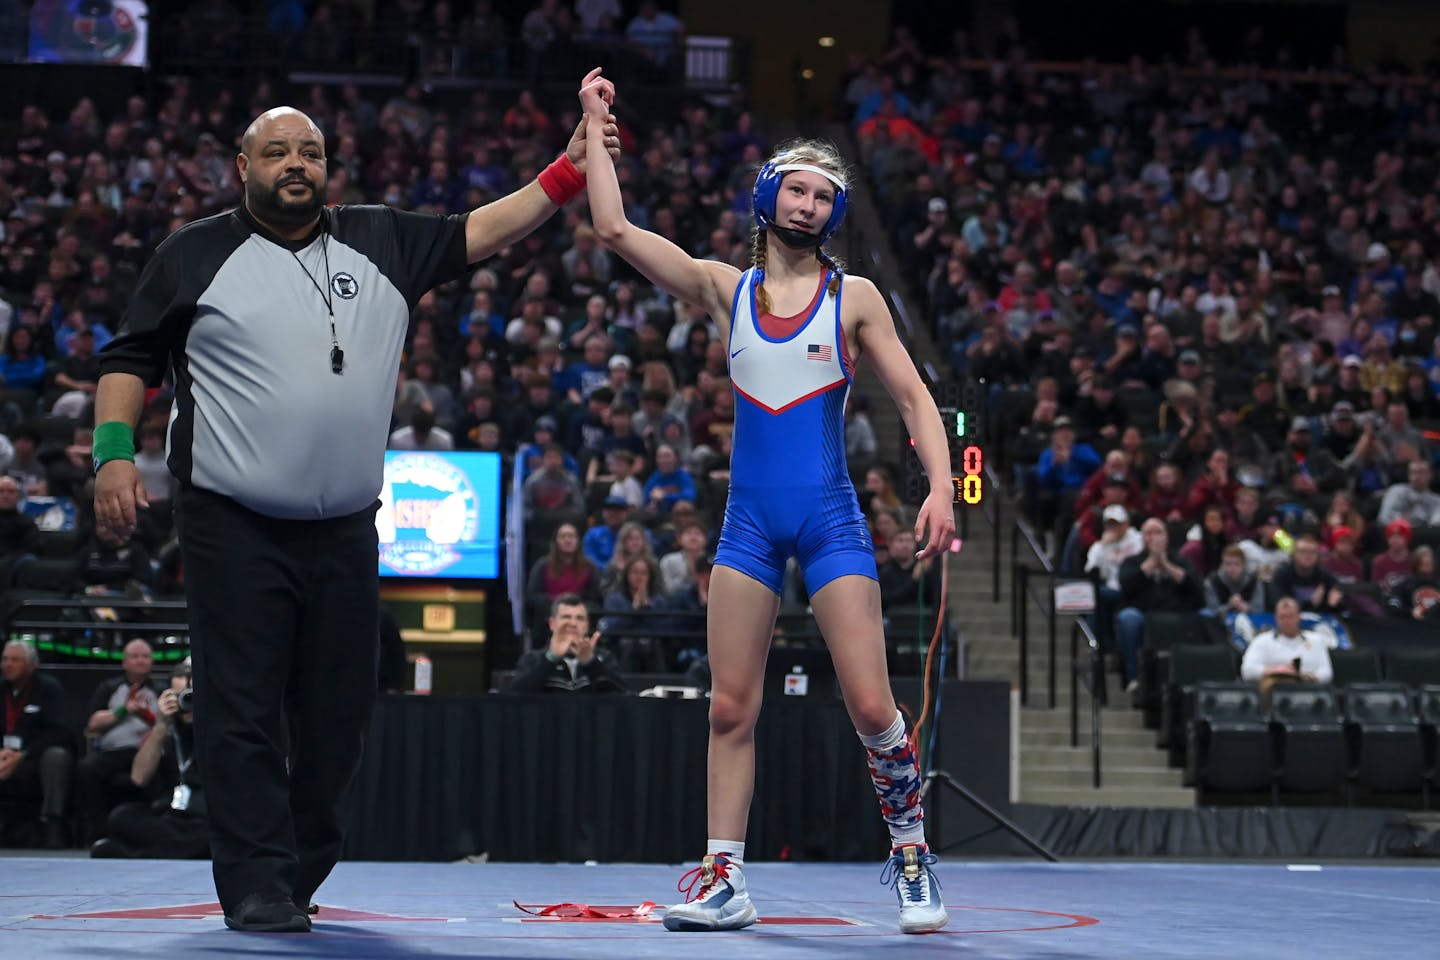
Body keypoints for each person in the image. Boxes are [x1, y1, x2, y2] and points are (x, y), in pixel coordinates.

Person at [90, 92, 621, 933]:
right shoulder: (194, 254)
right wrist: (114, 452)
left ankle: (299, 865)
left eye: (310, 151)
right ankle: (257, 881)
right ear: (243, 168)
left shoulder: (380, 237)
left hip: (345, 524)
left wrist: (567, 171)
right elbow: (129, 358)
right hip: (232, 518)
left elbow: (484, 229)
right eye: (277, 153)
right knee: (242, 703)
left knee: (340, 710)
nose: (296, 164)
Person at [580, 71, 955, 933]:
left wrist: (940, 486)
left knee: (870, 705)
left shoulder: (852, 298)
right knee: (727, 706)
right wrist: (594, 128)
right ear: (766, 196)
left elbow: (914, 400)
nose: (810, 205)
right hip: (748, 524)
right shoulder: (725, 290)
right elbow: (612, 227)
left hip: (829, 518)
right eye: (797, 188)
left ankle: (909, 850)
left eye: (826, 196)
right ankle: (725, 878)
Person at [90, 658, 209, 859]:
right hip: (171, 817)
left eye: (192, 696)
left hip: (208, 817)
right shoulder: (167, 732)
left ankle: (135, 853)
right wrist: (161, 725)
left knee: (221, 833)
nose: (187, 703)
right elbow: (139, 777)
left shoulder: (222, 731)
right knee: (122, 817)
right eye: (180, 696)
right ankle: (184, 852)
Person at [76, 638, 160, 843]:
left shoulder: (161, 689)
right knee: (86, 769)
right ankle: (98, 833)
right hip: (113, 751)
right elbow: (93, 723)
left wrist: (145, 714)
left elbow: (167, 723)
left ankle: (154, 833)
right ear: (124, 662)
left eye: (145, 656)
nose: (140, 661)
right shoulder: (109, 687)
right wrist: (124, 710)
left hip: (147, 752)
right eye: (135, 656)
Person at [0, 640, 76, 848]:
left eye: (15, 660)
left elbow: (61, 732)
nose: (7, 665)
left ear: (31, 664)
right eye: (5, 659)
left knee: (56, 757)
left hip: (35, 756)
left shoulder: (49, 689)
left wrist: (23, 754)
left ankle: (53, 823)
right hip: (4, 756)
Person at [506, 594, 628, 693]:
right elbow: (516, 694)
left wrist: (591, 662)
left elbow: (623, 695)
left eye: (579, 618)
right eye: (566, 617)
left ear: (586, 626)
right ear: (552, 623)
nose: (573, 623)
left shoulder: (604, 658)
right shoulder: (533, 658)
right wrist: (551, 659)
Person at [1239, 596, 1333, 704]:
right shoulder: (1262, 641)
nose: (1286, 621)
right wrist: (1278, 672)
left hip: (1311, 696)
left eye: (1290, 616)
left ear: (1299, 617)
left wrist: (1310, 677)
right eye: (1282, 617)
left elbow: (1327, 672)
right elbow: (1247, 671)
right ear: (1276, 618)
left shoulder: (1316, 640)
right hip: (1274, 697)